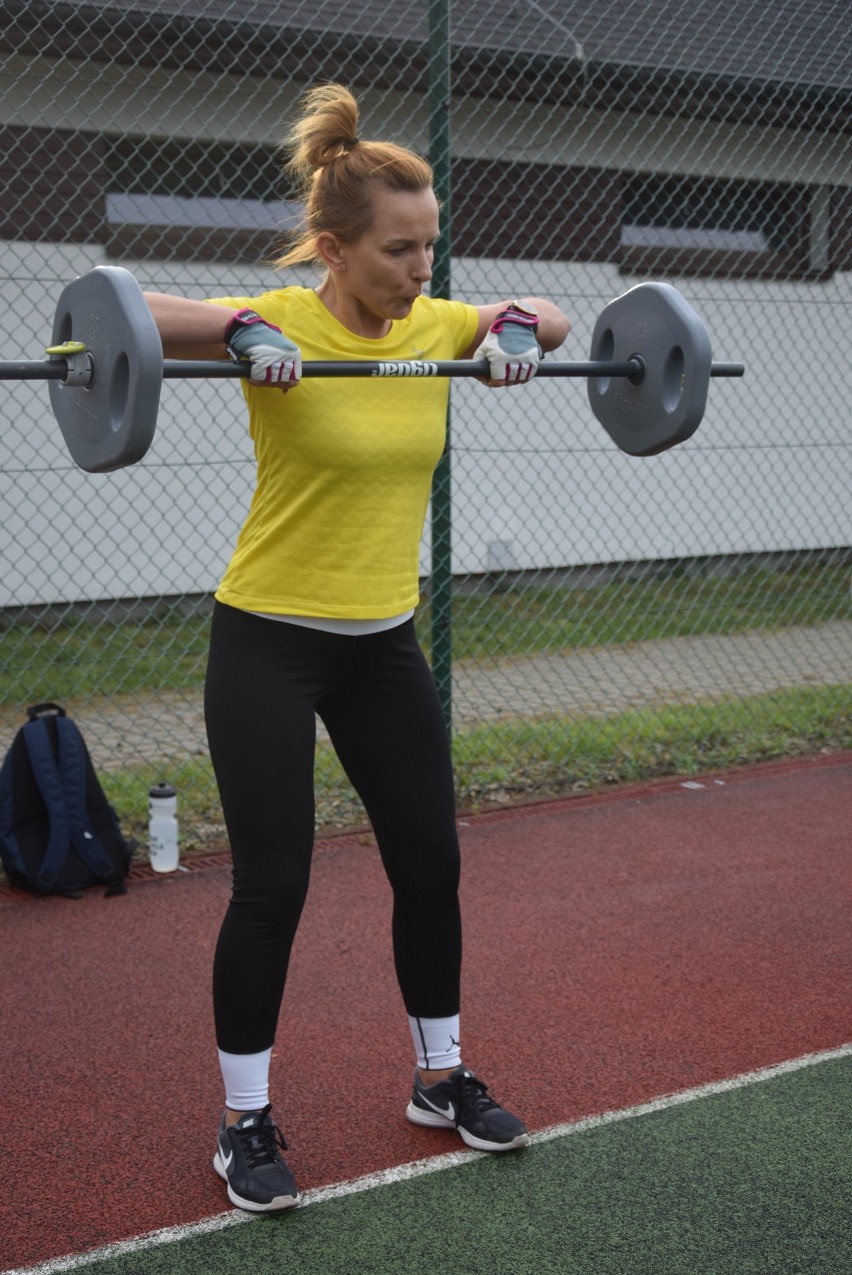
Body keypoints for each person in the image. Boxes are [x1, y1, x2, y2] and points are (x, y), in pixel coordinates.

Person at [144, 83, 571, 1214]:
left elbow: (557, 314)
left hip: (382, 644)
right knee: (274, 883)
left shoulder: (436, 324)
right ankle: (244, 1125)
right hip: (268, 640)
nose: (421, 268)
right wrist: (237, 331)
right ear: (335, 249)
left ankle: (440, 1078)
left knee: (431, 864)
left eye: (431, 244)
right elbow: (128, 312)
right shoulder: (286, 311)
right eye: (398, 249)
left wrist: (520, 328)